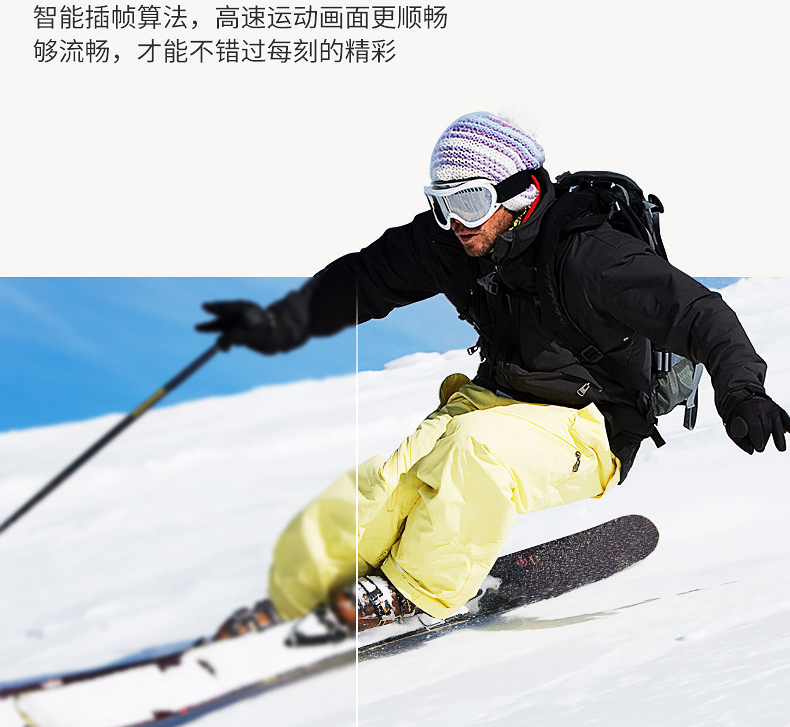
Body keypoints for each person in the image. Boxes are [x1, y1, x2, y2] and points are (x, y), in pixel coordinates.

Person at [197, 112, 789, 638]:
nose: (456, 221)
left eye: (471, 202)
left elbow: (698, 313)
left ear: (521, 193)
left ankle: (415, 593)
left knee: (474, 451)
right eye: (443, 204)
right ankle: (339, 582)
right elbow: (365, 278)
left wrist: (742, 392)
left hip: (592, 425)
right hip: (497, 398)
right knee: (391, 480)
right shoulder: (455, 243)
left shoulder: (590, 256)